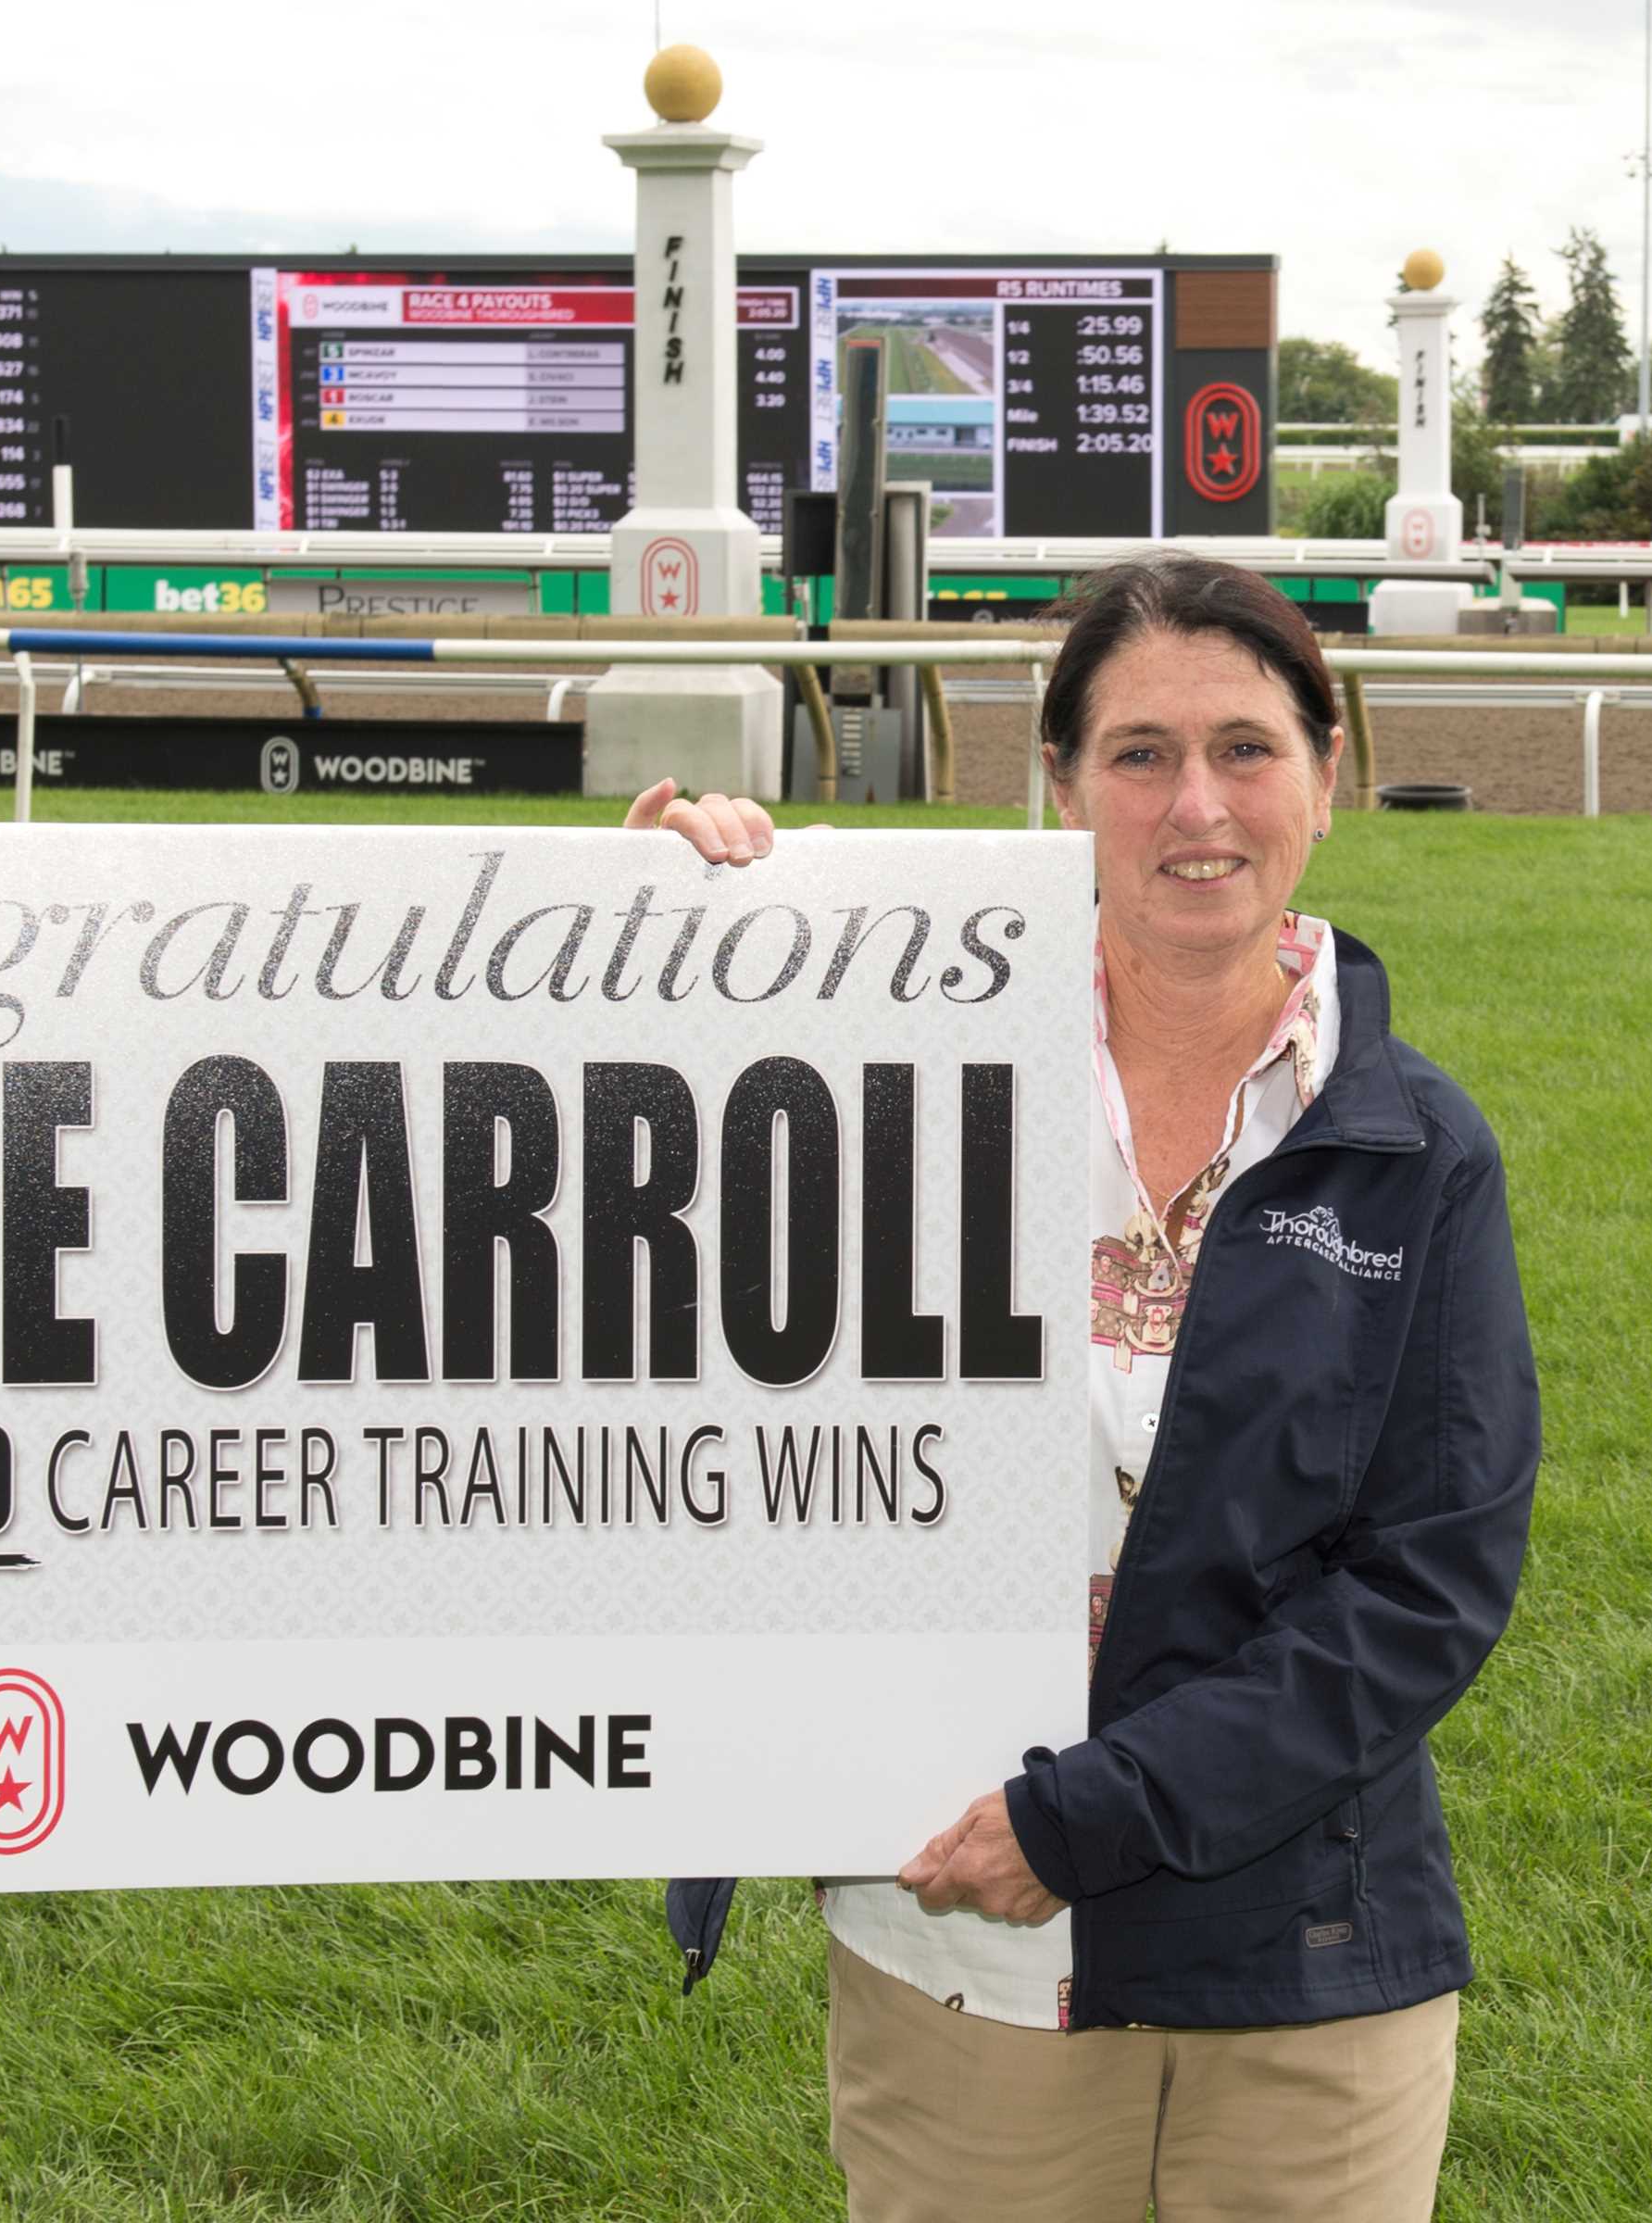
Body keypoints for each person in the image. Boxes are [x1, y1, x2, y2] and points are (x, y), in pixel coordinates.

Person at [629, 553, 1539, 2223]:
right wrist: (645, 965)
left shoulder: (1421, 1153)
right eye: (1137, 754)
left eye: (1247, 749)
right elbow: (638, 1286)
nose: (1197, 804)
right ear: (1059, 787)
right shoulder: (877, 1060)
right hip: (957, 1959)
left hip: (1304, 1971)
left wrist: (1090, 1818)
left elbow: (1428, 1584)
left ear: (1328, 774)